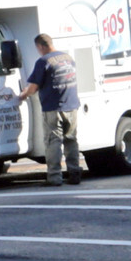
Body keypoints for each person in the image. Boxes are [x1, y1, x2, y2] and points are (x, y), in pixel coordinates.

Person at [17, 33, 82, 186]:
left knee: (53, 142)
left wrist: (23, 95)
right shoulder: (68, 58)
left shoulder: (43, 61)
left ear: (40, 46)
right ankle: (75, 174)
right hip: (72, 105)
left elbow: (33, 87)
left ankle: (54, 177)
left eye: (37, 48)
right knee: (71, 140)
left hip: (53, 107)